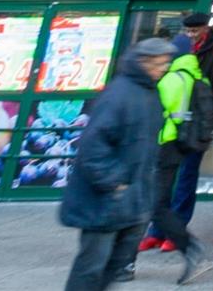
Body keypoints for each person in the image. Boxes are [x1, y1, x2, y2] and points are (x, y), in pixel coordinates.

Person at [60, 38, 174, 291]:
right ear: (143, 62)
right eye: (158, 63)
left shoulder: (150, 93)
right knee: (92, 266)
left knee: (115, 264)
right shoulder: (119, 94)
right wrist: (115, 183)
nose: (163, 68)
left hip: (133, 196)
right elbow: (92, 148)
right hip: (107, 198)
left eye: (165, 63)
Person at [142, 14, 213, 257]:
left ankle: (177, 229)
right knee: (163, 181)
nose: (192, 34)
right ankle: (157, 230)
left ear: (206, 28)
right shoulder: (177, 49)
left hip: (195, 128)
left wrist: (209, 125)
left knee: (185, 177)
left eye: (196, 30)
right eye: (189, 30)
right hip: (170, 127)